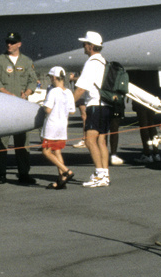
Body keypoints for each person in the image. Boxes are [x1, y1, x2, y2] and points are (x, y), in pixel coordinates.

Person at [0, 30, 37, 184]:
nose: (9, 45)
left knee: (22, 143)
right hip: (4, 107)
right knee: (2, 142)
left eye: (12, 42)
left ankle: (24, 174)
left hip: (21, 108)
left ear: (19, 44)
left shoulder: (26, 61)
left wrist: (27, 92)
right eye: (7, 42)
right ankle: (1, 174)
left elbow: (32, 81)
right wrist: (9, 95)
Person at [74, 31, 111, 187]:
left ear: (90, 46)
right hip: (106, 106)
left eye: (85, 44)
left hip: (95, 105)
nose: (83, 46)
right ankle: (105, 174)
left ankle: (99, 174)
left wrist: (69, 103)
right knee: (101, 141)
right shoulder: (103, 61)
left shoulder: (91, 63)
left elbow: (81, 88)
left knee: (89, 141)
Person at [40, 66, 75, 189]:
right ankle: (61, 180)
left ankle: (66, 171)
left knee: (46, 151)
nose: (50, 79)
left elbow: (48, 109)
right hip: (62, 126)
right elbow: (72, 111)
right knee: (57, 151)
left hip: (52, 126)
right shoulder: (68, 92)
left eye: (50, 77)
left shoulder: (53, 91)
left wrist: (43, 105)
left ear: (54, 77)